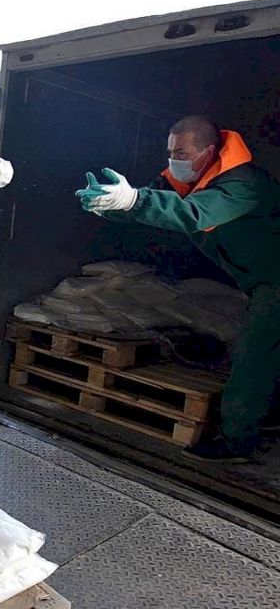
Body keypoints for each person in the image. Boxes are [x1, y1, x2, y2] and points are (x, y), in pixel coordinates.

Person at [76, 115, 280, 463]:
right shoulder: (186, 179)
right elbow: (147, 205)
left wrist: (132, 200)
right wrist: (109, 205)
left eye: (181, 153)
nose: (174, 160)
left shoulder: (243, 184)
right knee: (268, 349)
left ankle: (237, 442)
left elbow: (191, 214)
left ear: (208, 151)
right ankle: (267, 415)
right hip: (259, 277)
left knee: (254, 353)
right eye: (171, 152)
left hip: (275, 281)